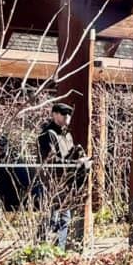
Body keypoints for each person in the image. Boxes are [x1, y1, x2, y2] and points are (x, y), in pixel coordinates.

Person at [37, 102, 88, 250]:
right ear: (54, 114)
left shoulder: (67, 135)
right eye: (63, 113)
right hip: (51, 182)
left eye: (68, 114)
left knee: (65, 218)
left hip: (66, 182)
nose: (67, 117)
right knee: (52, 218)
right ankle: (44, 250)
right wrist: (73, 161)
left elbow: (67, 156)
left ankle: (59, 251)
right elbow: (50, 160)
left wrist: (79, 155)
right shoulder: (47, 134)